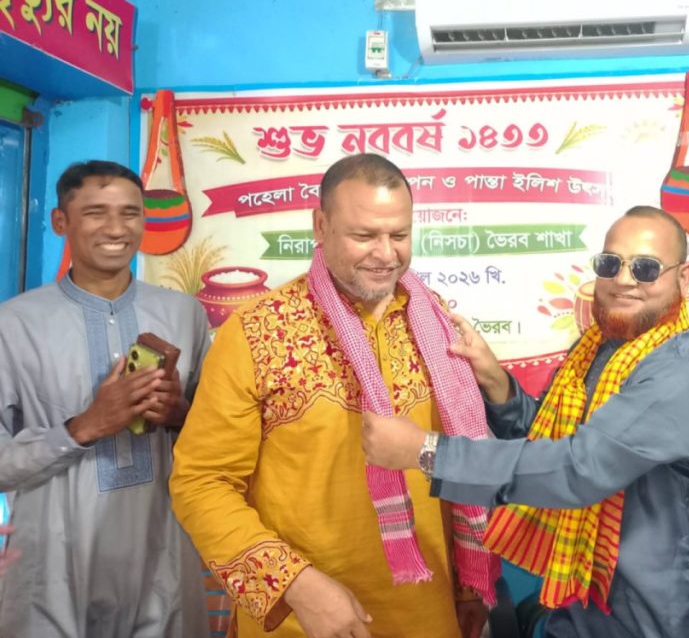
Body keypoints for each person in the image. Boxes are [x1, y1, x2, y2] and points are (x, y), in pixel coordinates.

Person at [362, 205, 689, 638]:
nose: (623, 280)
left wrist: (428, 453)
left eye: (646, 268)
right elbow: (550, 439)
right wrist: (495, 382)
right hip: (579, 595)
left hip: (661, 613)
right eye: (611, 263)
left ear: (683, 278)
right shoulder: (600, 348)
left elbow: (579, 467)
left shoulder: (686, 373)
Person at [170, 153, 499, 638]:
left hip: (428, 614)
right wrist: (294, 584)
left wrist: (469, 589)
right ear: (320, 226)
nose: (386, 254)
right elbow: (201, 482)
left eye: (399, 235)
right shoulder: (258, 331)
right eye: (364, 236)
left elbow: (459, 464)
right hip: (301, 621)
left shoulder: (436, 323)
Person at [0, 160, 210, 637]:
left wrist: (179, 415)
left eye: (130, 213)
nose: (116, 229)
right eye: (96, 212)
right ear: (61, 222)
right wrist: (84, 427)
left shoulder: (184, 314)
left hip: (163, 554)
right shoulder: (14, 324)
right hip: (52, 563)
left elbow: (218, 441)